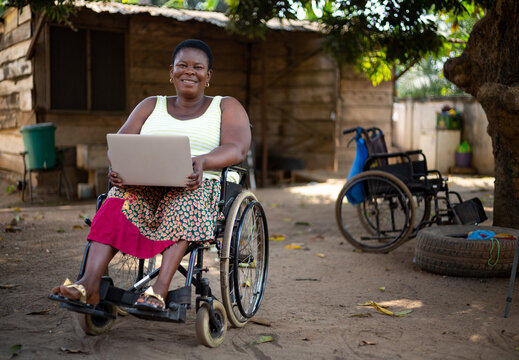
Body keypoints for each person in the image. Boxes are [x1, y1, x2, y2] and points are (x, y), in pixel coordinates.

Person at [51, 39, 251, 311]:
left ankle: (158, 289)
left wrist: (203, 161)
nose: (189, 72)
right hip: (147, 183)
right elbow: (120, 144)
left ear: (209, 75)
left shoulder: (225, 106)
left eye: (197, 67)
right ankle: (89, 283)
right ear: (171, 71)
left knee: (185, 201)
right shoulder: (150, 105)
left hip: (199, 184)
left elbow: (237, 148)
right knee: (116, 201)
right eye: (182, 65)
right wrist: (118, 167)